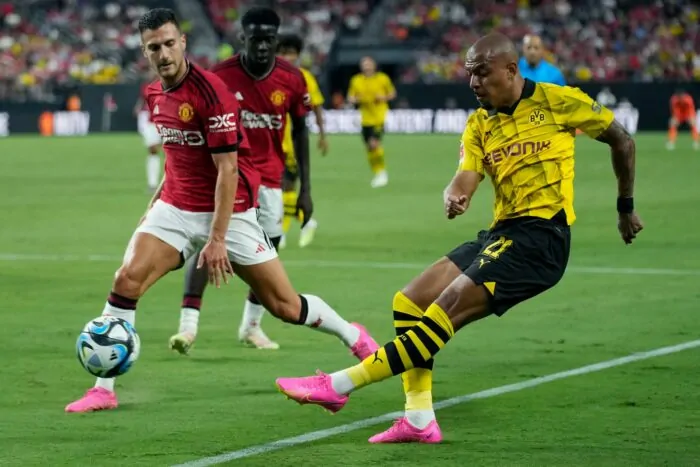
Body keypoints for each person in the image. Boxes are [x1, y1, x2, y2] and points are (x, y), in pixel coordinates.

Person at [275, 32, 643, 443]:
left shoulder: (559, 101)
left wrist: (625, 207)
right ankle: (419, 418)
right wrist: (455, 194)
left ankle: (338, 385)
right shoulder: (479, 123)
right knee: (410, 300)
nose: (473, 83)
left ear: (511, 70)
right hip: (502, 233)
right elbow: (466, 176)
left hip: (542, 237)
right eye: (470, 74)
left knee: (445, 307)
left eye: (482, 73)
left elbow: (622, 141)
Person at [66, 8, 378, 413]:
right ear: (145, 52)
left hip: (231, 212)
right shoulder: (155, 93)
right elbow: (175, 155)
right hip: (175, 208)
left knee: (284, 306)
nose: (163, 53)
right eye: (153, 47)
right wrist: (153, 205)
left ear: (183, 43)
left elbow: (228, 170)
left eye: (169, 44)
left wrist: (216, 239)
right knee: (126, 280)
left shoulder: (212, 94)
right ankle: (103, 390)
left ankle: (353, 336)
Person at [168, 7, 378, 354]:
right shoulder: (219, 76)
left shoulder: (292, 79)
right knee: (208, 244)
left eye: (269, 39)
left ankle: (251, 327)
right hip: (228, 178)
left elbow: (300, 132)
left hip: (269, 182)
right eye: (256, 39)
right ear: (243, 38)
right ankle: (187, 328)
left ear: (276, 40)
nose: (263, 46)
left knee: (269, 253)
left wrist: (306, 190)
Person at [277, 33, 327, 249]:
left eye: (291, 53)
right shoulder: (269, 76)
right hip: (271, 139)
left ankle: (281, 231)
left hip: (292, 141)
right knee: (272, 190)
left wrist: (322, 135)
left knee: (286, 185)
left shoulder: (304, 77)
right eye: (283, 52)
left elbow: (316, 106)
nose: (287, 57)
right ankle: (306, 221)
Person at [347, 57, 396, 188]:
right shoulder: (356, 80)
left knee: (374, 144)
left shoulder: (382, 78)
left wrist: (383, 97)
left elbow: (392, 94)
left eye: (369, 64)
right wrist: (355, 99)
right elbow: (350, 97)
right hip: (365, 119)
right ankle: (377, 172)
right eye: (364, 65)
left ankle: (382, 173)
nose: (367, 67)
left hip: (379, 117)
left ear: (374, 66)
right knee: (369, 148)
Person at [133, 70, 162, 192]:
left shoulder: (169, 84)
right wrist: (138, 107)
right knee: (152, 150)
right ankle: (152, 183)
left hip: (168, 122)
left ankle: (173, 184)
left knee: (173, 153)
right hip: (152, 122)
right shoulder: (147, 86)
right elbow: (143, 98)